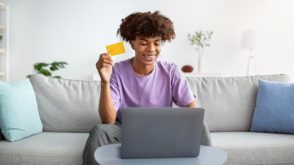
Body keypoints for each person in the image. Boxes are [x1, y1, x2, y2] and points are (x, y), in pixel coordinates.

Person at [83, 11, 212, 165]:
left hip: (164, 133)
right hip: (126, 132)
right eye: (144, 43)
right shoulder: (117, 70)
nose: (151, 49)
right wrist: (105, 81)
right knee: (99, 131)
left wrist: (181, 125)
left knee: (201, 126)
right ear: (132, 43)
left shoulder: (170, 71)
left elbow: (193, 111)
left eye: (157, 43)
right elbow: (108, 120)